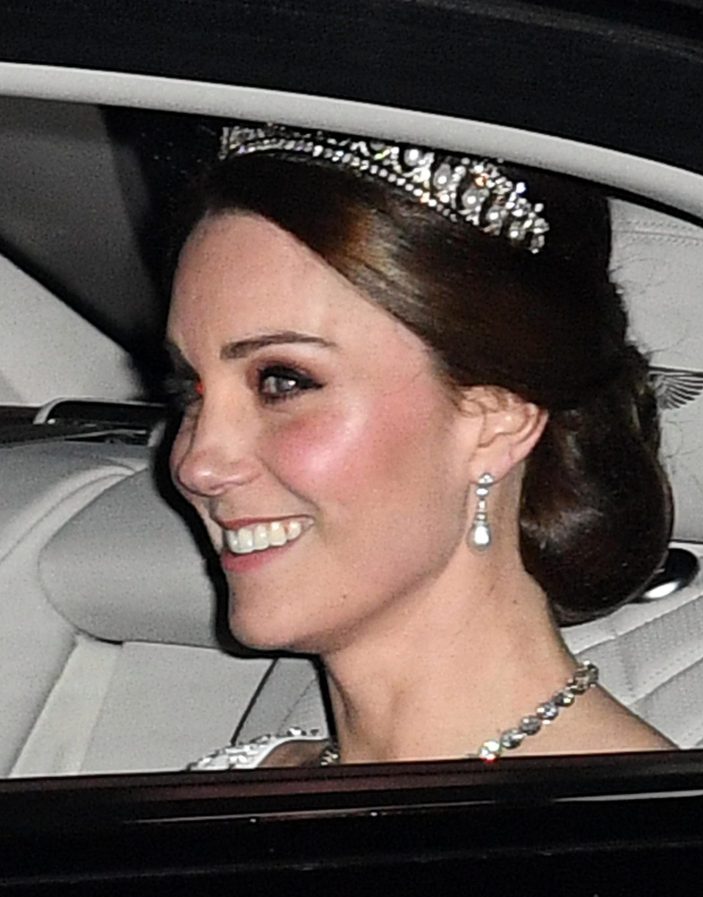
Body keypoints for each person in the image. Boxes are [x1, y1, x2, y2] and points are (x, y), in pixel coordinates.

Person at [166, 123, 675, 768]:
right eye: (189, 388)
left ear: (495, 421)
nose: (198, 462)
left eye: (283, 381)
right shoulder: (231, 785)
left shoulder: (643, 843)